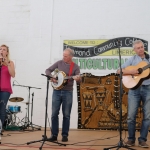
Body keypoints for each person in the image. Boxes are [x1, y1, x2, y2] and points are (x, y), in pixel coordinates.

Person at [117, 40, 150, 148]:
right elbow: (119, 71)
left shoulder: (148, 59)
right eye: (138, 48)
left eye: (142, 47)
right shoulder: (132, 59)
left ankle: (142, 140)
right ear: (134, 50)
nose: (141, 49)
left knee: (147, 116)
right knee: (131, 116)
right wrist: (131, 72)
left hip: (148, 88)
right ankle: (131, 139)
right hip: (134, 90)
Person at [45, 48, 81, 142]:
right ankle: (54, 135)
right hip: (56, 92)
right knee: (54, 114)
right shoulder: (59, 63)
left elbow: (79, 79)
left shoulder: (75, 67)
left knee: (66, 115)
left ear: (71, 56)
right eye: (63, 55)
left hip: (68, 92)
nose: (63, 57)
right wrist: (52, 77)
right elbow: (48, 70)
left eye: (65, 56)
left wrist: (77, 79)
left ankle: (65, 135)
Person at [0, 44, 15, 128]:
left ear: (7, 52)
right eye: (0, 49)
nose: (2, 50)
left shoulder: (10, 62)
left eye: (4, 49)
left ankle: (0, 129)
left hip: (5, 89)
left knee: (2, 110)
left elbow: (13, 74)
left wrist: (7, 63)